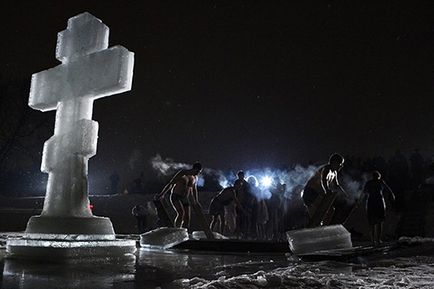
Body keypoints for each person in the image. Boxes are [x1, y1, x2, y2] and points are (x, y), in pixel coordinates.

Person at [301, 153, 348, 227]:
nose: (341, 166)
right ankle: (318, 228)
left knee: (330, 210)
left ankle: (323, 227)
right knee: (318, 214)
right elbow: (324, 180)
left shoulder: (334, 173)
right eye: (340, 164)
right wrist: (327, 191)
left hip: (316, 194)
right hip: (310, 193)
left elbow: (336, 185)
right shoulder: (326, 169)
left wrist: (345, 194)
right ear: (334, 163)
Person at [155, 162, 203, 229]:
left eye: (199, 172)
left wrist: (196, 201)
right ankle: (176, 229)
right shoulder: (182, 173)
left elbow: (194, 190)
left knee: (187, 217)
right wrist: (162, 194)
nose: (198, 173)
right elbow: (171, 183)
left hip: (185, 198)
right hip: (176, 196)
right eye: (197, 171)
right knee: (181, 213)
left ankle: (184, 232)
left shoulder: (195, 178)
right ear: (194, 169)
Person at [362, 171, 395, 245]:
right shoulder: (374, 182)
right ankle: (375, 239)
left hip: (376, 202)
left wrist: (392, 194)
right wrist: (392, 195)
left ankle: (376, 239)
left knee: (376, 222)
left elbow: (364, 192)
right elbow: (364, 192)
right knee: (376, 222)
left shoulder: (376, 182)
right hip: (375, 202)